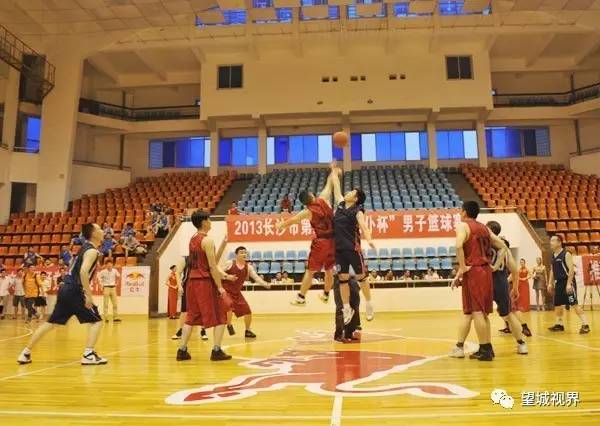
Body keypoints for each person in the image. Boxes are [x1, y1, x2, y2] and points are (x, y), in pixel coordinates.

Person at [17, 223, 108, 365]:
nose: (102, 231)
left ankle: (25, 352)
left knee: (50, 323)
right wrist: (89, 295)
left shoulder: (84, 249)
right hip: (74, 290)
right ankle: (88, 354)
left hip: (65, 289)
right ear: (94, 234)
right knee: (96, 321)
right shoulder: (92, 251)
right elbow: (84, 272)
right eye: (99, 229)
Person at [450, 221, 528, 359]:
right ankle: (521, 344)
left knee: (476, 314)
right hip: (500, 281)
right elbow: (514, 269)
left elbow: (468, 260)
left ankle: (470, 346)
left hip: (483, 279)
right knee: (508, 314)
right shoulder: (503, 245)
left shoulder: (480, 244)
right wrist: (515, 287)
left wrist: (458, 275)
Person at [451, 201, 508, 362]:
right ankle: (487, 346)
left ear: (463, 212)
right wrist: (495, 266)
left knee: (476, 312)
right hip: (486, 271)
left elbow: (458, 245)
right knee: (481, 313)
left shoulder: (463, 226)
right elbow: (502, 246)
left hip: (474, 271)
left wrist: (462, 267)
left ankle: (485, 349)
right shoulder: (484, 228)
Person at [176, 211, 236, 362]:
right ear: (204, 222)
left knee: (191, 316)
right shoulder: (207, 240)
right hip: (204, 283)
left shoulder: (193, 239)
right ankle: (216, 350)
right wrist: (221, 288)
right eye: (209, 220)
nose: (211, 222)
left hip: (192, 282)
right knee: (222, 315)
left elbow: (207, 263)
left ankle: (182, 350)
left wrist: (225, 275)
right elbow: (212, 266)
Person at [277, 162, 339, 305]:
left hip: (321, 243)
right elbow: (330, 184)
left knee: (310, 271)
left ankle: (301, 297)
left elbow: (293, 220)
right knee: (329, 269)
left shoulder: (307, 211)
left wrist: (282, 225)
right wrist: (333, 170)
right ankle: (326, 294)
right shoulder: (323, 198)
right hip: (334, 241)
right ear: (311, 195)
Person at [328, 165, 376, 324]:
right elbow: (336, 185)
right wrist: (334, 171)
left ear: (355, 198)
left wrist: (369, 239)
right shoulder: (340, 204)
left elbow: (363, 226)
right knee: (342, 279)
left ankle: (369, 304)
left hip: (353, 248)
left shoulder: (358, 211)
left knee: (362, 278)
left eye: (352, 192)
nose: (348, 192)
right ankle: (347, 308)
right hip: (339, 250)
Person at [221, 246, 271, 338]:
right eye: (241, 252)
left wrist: (264, 284)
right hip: (226, 291)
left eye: (245, 252)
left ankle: (248, 331)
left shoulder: (249, 267)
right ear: (236, 255)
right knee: (229, 306)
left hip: (236, 292)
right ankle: (229, 325)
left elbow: (256, 278)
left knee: (247, 311)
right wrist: (227, 277)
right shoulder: (230, 263)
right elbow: (218, 273)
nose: (244, 254)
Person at [547, 235, 591, 334]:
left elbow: (571, 270)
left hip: (568, 281)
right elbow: (552, 270)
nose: (551, 242)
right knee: (557, 304)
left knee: (574, 304)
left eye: (553, 240)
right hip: (558, 283)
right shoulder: (553, 255)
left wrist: (568, 284)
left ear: (559, 243)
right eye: (550, 240)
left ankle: (585, 325)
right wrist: (550, 283)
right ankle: (559, 324)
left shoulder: (566, 254)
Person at [500, 259, 532, 336]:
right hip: (504, 288)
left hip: (508, 288)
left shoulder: (508, 264)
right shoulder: (500, 263)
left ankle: (524, 327)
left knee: (513, 309)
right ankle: (509, 326)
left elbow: (513, 275)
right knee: (504, 310)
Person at [334, 277, 361, 343]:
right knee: (342, 308)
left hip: (353, 281)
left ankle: (349, 334)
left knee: (354, 308)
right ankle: (339, 335)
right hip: (340, 280)